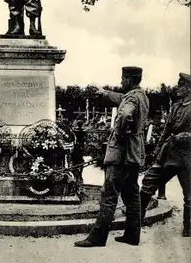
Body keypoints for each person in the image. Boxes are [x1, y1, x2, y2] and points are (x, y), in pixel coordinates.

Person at [74, 66, 149, 247]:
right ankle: (132, 235)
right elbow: (120, 99)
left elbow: (124, 114)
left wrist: (121, 134)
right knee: (131, 193)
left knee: (109, 193)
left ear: (130, 80)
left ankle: (97, 237)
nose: (121, 81)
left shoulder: (131, 97)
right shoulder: (142, 96)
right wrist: (103, 92)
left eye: (123, 79)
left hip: (121, 153)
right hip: (134, 153)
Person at [140, 72, 191, 237]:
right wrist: (157, 149)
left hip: (188, 156)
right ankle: (137, 220)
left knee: (189, 194)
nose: (178, 87)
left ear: (189, 89)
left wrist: (184, 136)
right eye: (179, 84)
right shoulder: (175, 106)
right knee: (149, 181)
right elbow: (166, 129)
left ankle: (188, 227)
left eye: (181, 85)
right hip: (169, 154)